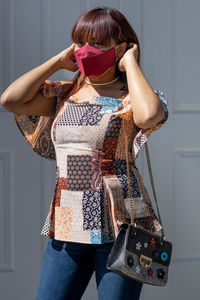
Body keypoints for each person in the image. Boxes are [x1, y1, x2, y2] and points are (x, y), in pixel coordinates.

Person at [0, 6, 168, 300]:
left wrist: (131, 65)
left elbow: (149, 116)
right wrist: (57, 62)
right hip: (69, 223)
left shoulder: (134, 96)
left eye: (98, 44)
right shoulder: (64, 94)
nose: (86, 51)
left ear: (120, 48)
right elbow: (10, 99)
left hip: (123, 225)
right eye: (80, 42)